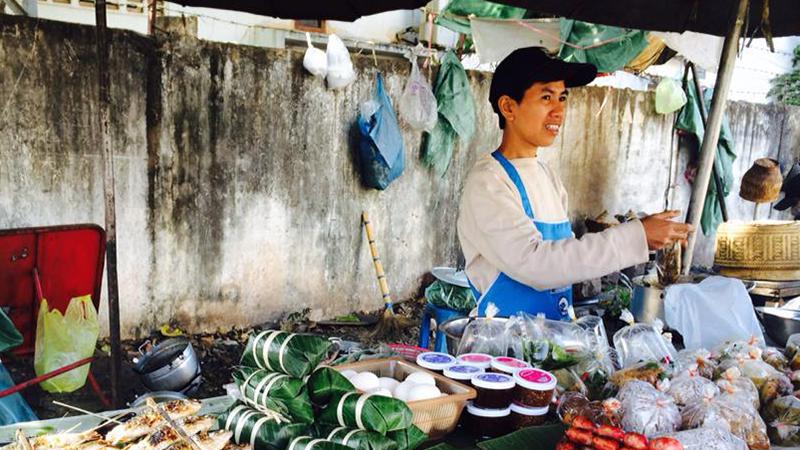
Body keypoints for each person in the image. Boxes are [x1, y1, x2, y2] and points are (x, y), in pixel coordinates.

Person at [457, 47, 693, 319]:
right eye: (546, 97)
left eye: (562, 98)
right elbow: (538, 265)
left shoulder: (548, 177)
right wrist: (634, 236)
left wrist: (641, 236)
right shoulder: (488, 182)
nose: (559, 111)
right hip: (503, 349)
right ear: (509, 107)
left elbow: (567, 261)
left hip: (553, 341)